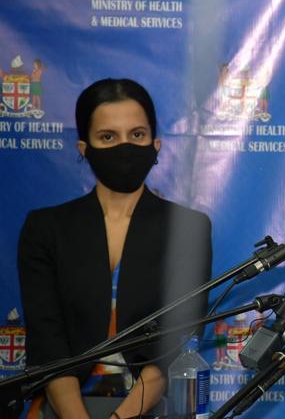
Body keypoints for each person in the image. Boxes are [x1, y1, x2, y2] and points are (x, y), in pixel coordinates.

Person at [18, 78, 212, 419]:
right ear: (84, 147)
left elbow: (173, 344)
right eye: (108, 137)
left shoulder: (188, 229)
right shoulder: (46, 229)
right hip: (63, 409)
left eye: (136, 135)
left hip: (151, 408)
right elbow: (48, 343)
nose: (125, 148)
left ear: (156, 143)